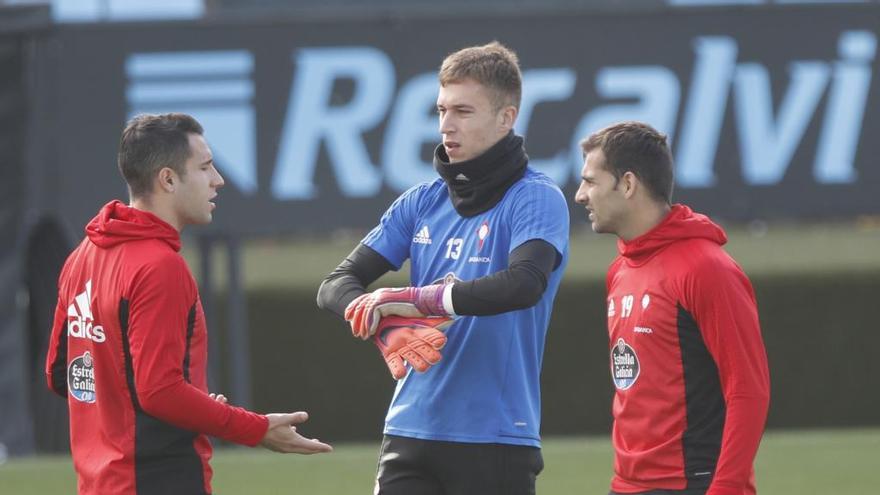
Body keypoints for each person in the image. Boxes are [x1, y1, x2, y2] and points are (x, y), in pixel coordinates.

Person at [317, 41, 569, 495]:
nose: (445, 126)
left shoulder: (536, 196)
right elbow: (336, 285)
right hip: (410, 431)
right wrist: (387, 326)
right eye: (441, 110)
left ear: (506, 118)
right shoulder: (420, 201)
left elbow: (524, 284)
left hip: (496, 435)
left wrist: (414, 299)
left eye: (464, 112)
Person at [45, 113, 332, 495]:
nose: (218, 180)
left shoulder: (82, 256)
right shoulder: (160, 267)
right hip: (156, 481)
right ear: (168, 179)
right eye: (205, 167)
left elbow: (62, 373)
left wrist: (187, 406)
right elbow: (158, 391)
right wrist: (256, 428)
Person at [573, 121, 770, 495]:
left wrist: (726, 488)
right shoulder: (619, 272)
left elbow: (748, 389)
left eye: (591, 181)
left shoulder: (707, 269)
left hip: (693, 485)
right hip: (627, 486)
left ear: (627, 184)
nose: (581, 195)